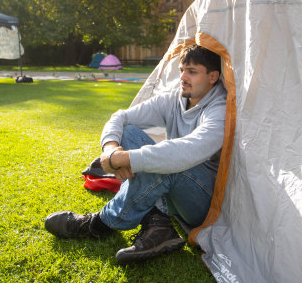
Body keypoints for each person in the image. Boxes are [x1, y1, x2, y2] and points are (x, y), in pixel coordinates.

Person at [45, 44, 227, 264]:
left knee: (167, 159)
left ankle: (99, 224)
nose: (183, 77)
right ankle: (159, 225)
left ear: (213, 76)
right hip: (174, 189)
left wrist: (127, 159)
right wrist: (111, 149)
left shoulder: (221, 109)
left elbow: (188, 150)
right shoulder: (174, 99)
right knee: (130, 133)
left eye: (192, 72)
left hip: (202, 202)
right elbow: (121, 117)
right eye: (181, 70)